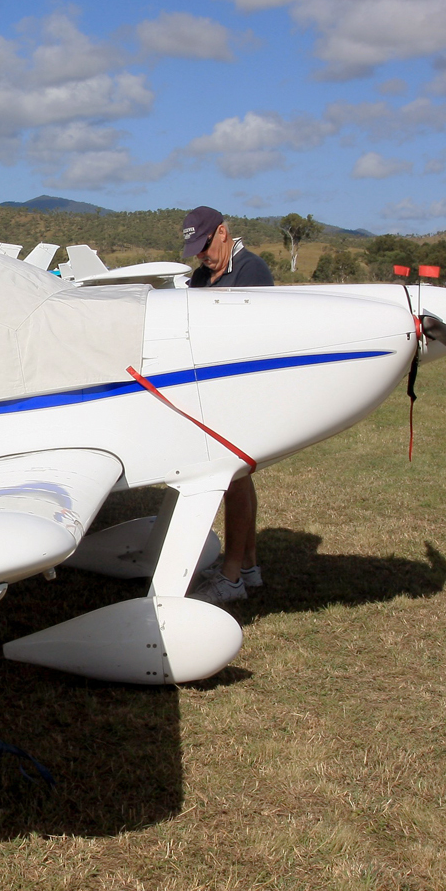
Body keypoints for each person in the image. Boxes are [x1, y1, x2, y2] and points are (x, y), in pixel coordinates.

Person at [180, 206, 274, 604]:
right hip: (209, 387)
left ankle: (231, 576)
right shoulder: (201, 277)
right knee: (239, 479)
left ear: (222, 232)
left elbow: (255, 334)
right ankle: (248, 566)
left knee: (230, 477)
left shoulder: (252, 271)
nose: (202, 255)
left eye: (205, 245)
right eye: (196, 249)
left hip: (240, 387)